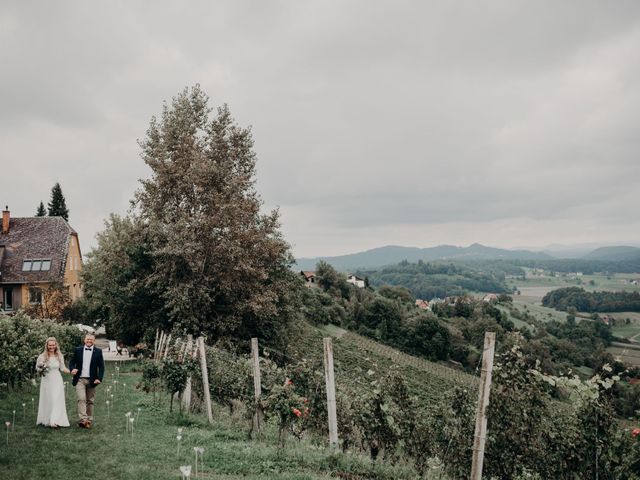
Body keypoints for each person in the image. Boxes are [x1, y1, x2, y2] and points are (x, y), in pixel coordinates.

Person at [69, 333, 105, 428]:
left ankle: (89, 419)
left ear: (94, 341)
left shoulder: (98, 352)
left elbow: (101, 366)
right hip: (79, 379)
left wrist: (99, 378)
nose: (89, 341)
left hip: (92, 380)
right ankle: (83, 419)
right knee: (81, 399)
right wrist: (72, 369)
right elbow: (72, 361)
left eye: (91, 340)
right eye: (87, 339)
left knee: (90, 401)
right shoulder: (78, 350)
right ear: (84, 340)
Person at [35, 337, 71, 428]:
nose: (52, 347)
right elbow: (37, 368)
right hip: (47, 380)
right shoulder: (42, 356)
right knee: (49, 399)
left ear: (56, 345)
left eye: (53, 345)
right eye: (50, 345)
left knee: (57, 399)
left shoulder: (59, 355)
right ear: (47, 346)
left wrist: (71, 372)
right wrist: (41, 368)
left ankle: (54, 420)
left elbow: (63, 368)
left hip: (57, 379)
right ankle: (48, 419)